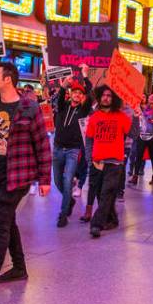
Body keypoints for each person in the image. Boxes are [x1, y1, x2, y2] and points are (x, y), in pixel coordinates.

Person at [0, 62, 52, 296]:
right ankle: (19, 267)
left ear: (8, 79)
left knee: (0, 222)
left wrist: (45, 178)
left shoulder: (29, 107)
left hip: (19, 174)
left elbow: (42, 144)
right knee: (8, 220)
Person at [85, 86, 133, 238]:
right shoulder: (94, 117)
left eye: (109, 96)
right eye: (104, 95)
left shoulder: (121, 116)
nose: (106, 98)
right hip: (97, 162)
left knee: (107, 192)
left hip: (115, 163)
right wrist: (89, 159)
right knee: (102, 194)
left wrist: (137, 117)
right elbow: (89, 140)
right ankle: (112, 219)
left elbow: (134, 133)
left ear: (114, 99)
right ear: (99, 98)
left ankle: (96, 224)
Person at [52, 76, 92, 227]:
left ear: (82, 97)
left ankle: (63, 214)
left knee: (68, 180)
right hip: (57, 149)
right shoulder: (63, 106)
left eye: (80, 94)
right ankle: (70, 200)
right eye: (74, 92)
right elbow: (61, 95)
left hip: (72, 151)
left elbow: (90, 94)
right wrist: (64, 86)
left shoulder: (83, 110)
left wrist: (85, 76)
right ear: (71, 94)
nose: (77, 95)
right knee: (57, 181)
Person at [131, 93, 153, 185]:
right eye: (150, 102)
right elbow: (139, 118)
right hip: (142, 136)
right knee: (138, 156)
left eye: (152, 102)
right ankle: (135, 176)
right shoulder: (145, 110)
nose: (150, 104)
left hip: (152, 136)